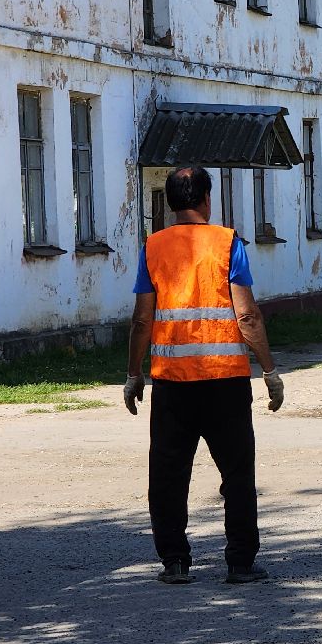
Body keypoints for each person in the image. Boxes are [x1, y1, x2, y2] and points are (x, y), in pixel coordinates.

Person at [124, 166, 285, 584]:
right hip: (225, 381)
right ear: (206, 199)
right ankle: (241, 563)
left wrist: (133, 374)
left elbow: (143, 319)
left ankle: (175, 562)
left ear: (172, 201)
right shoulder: (227, 242)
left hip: (173, 384)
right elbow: (246, 313)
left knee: (168, 474)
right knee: (236, 472)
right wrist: (269, 370)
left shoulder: (153, 247)